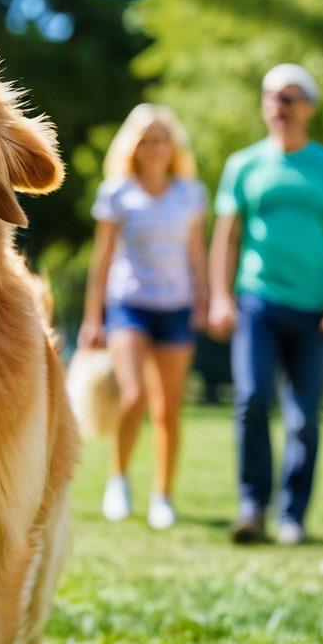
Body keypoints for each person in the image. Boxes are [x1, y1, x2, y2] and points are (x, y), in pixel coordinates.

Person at [209, 64, 323, 545]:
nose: (280, 106)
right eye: (272, 97)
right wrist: (219, 297)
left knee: (304, 417)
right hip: (258, 302)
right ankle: (253, 506)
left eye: (291, 98)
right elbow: (226, 239)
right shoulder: (243, 165)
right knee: (251, 400)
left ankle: (293, 514)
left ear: (309, 107)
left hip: (317, 307)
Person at [79, 104, 208, 528]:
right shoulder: (117, 192)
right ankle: (119, 479)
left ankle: (163, 495)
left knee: (168, 407)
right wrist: (92, 318)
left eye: (161, 140)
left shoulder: (191, 194)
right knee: (132, 394)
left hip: (175, 306)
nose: (154, 148)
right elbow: (103, 259)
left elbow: (196, 254)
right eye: (146, 141)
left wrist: (205, 299)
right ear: (133, 147)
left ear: (173, 147)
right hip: (128, 304)